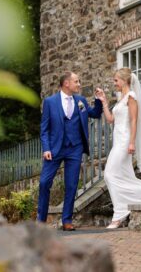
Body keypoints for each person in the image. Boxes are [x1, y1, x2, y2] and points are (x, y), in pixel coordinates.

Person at [37, 71, 103, 231]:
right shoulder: (50, 102)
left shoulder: (80, 100)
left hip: (75, 148)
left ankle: (67, 220)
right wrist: (46, 148)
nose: (79, 84)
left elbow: (94, 114)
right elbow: (44, 129)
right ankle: (41, 220)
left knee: (72, 185)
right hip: (54, 149)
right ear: (66, 83)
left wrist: (99, 100)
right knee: (44, 183)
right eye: (76, 81)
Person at [96, 68, 141, 229]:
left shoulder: (131, 97)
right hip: (117, 141)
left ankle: (119, 213)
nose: (114, 83)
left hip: (125, 140)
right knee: (122, 176)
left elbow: (134, 121)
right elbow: (110, 119)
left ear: (124, 81)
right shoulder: (121, 99)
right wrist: (104, 102)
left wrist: (132, 142)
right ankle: (129, 204)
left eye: (116, 81)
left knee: (109, 174)